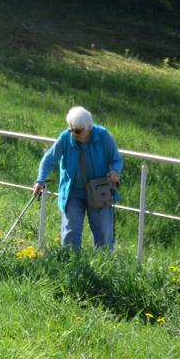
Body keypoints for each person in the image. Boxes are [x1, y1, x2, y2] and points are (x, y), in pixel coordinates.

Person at [33, 106, 123, 251]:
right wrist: (40, 179)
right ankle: (70, 264)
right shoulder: (65, 137)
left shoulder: (103, 135)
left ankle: (104, 267)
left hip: (99, 191)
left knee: (103, 234)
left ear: (89, 127)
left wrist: (114, 171)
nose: (73, 134)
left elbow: (117, 159)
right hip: (73, 191)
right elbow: (49, 159)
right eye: (71, 129)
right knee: (70, 231)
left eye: (77, 131)